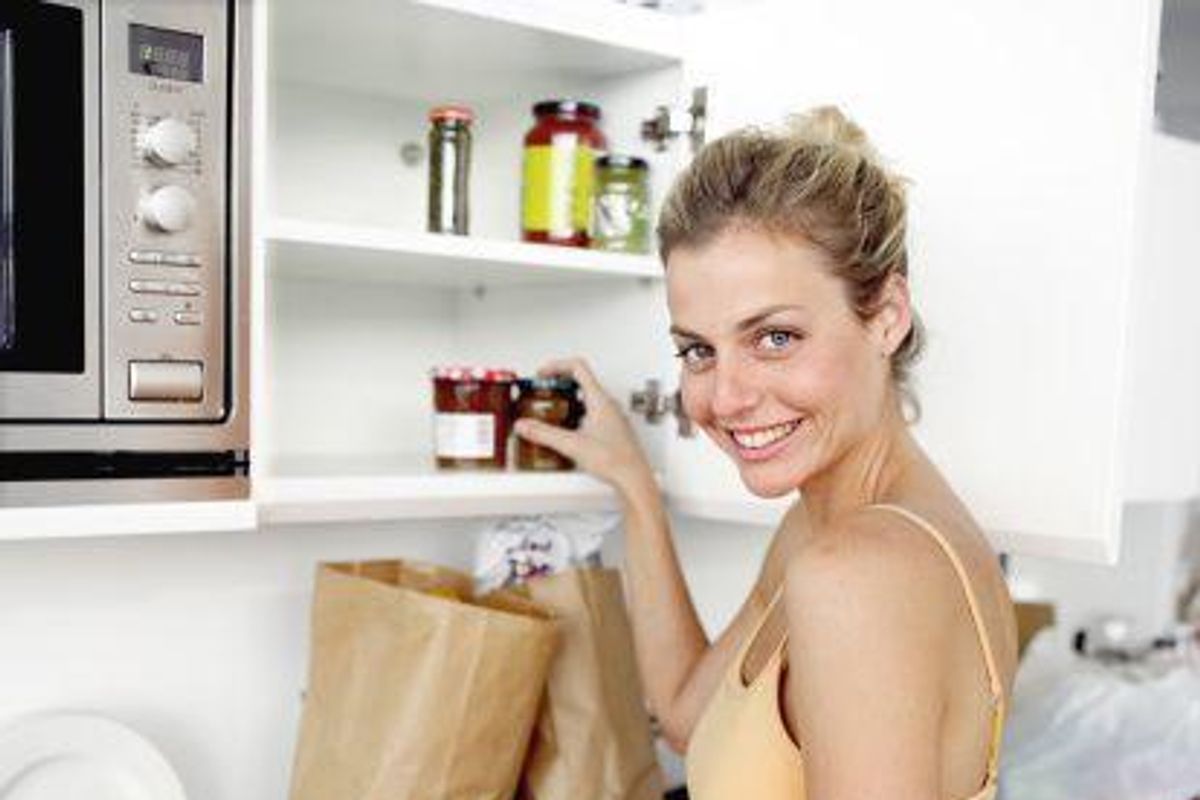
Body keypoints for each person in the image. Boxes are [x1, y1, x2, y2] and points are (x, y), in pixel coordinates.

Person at [513, 106, 1018, 800]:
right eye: (698, 350)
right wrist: (635, 486)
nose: (725, 398)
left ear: (886, 318)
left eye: (775, 338)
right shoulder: (828, 528)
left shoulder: (858, 574)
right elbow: (689, 714)